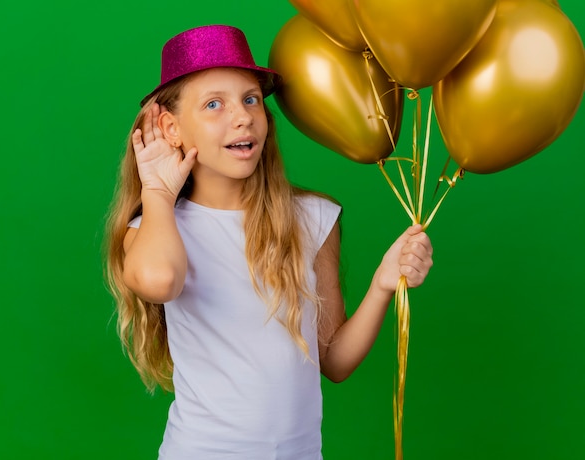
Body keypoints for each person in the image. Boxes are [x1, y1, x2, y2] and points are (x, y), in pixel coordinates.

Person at [105, 24, 433, 460]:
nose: (241, 116)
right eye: (214, 104)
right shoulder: (155, 228)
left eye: (250, 99)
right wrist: (159, 194)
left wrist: (382, 285)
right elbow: (159, 281)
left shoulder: (313, 218)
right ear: (171, 128)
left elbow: (333, 361)